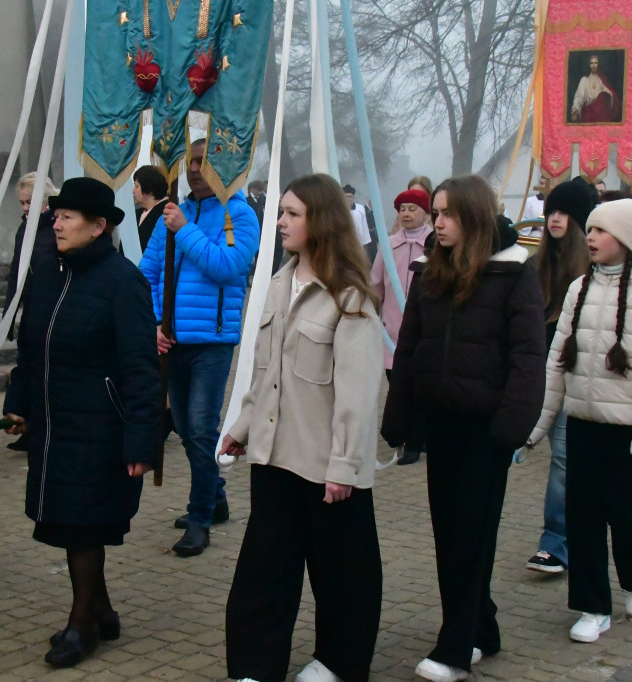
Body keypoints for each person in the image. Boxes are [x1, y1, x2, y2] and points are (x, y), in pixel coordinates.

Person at [382, 174, 546, 682]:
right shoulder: (430, 268)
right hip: (441, 425)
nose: (438, 221)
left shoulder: (513, 274)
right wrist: (400, 415)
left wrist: (511, 426)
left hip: (486, 429)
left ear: (473, 216)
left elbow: (527, 357)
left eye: (448, 213)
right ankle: (483, 627)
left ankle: (455, 647)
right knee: (448, 533)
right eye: (436, 212)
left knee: (472, 536)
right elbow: (410, 346)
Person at [223, 174, 383, 682]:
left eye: (292, 213)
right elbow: (265, 372)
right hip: (274, 456)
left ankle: (338, 661)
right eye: (281, 212)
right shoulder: (277, 283)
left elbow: (358, 397)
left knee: (342, 574)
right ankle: (254, 665)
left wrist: (345, 467)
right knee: (264, 570)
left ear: (321, 220)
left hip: (326, 466)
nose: (281, 221)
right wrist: (242, 427)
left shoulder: (350, 298)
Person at [3, 177, 160, 668]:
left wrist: (141, 440)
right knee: (71, 520)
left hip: (100, 426)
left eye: (67, 217)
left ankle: (82, 623)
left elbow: (140, 367)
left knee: (83, 524)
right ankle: (103, 610)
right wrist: (19, 401)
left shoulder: (122, 281)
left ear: (98, 227)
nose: (57, 223)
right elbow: (31, 346)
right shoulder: (49, 272)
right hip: (54, 422)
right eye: (56, 215)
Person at [527, 199, 632, 643]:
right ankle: (592, 606)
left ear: (627, 238)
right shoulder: (579, 289)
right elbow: (558, 362)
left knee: (623, 509)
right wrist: (539, 423)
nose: (590, 238)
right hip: (583, 421)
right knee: (582, 515)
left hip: (627, 426)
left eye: (601, 231)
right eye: (589, 230)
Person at [139, 138, 260, 557]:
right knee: (188, 431)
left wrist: (183, 231)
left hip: (212, 342)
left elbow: (227, 267)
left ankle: (200, 517)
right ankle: (216, 496)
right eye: (190, 162)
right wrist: (155, 321)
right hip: (172, 340)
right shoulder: (175, 213)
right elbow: (148, 273)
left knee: (202, 429)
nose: (194, 170)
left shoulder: (240, 215)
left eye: (203, 162)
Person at [524, 180, 594, 574]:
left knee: (565, 462)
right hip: (540, 378)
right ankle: (572, 534)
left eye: (564, 212)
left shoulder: (590, 271)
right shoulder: (536, 266)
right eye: (552, 210)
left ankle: (555, 543)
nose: (554, 218)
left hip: (577, 380)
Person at [371, 188, 433, 465]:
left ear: (426, 213)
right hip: (392, 329)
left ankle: (415, 442)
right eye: (403, 209)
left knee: (420, 385)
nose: (407, 214)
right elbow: (375, 283)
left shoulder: (434, 246)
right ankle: (403, 432)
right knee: (397, 383)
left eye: (413, 209)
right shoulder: (388, 244)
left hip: (424, 330)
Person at [3, 172, 59, 452]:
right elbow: (17, 270)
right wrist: (9, 311)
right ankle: (25, 419)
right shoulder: (25, 229)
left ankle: (38, 424)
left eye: (29, 202)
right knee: (27, 362)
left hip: (50, 307)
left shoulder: (54, 228)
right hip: (31, 307)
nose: (25, 209)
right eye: (22, 203)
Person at [570, 54, 621, 123]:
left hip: (601, 116)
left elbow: (611, 95)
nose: (593, 65)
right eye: (591, 63)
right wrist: (575, 110)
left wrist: (606, 95)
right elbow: (579, 97)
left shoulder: (602, 80)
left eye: (595, 63)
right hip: (589, 116)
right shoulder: (584, 80)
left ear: (598, 64)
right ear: (589, 65)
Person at [132, 165, 169, 253]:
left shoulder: (166, 214)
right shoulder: (136, 214)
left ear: (148, 189)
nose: (133, 190)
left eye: (136, 186)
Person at [342, 184, 373, 254]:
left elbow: (364, 226)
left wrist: (365, 242)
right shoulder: (339, 210)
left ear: (353, 197)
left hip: (359, 243)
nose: (348, 199)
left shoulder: (360, 209)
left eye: (350, 196)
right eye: (346, 197)